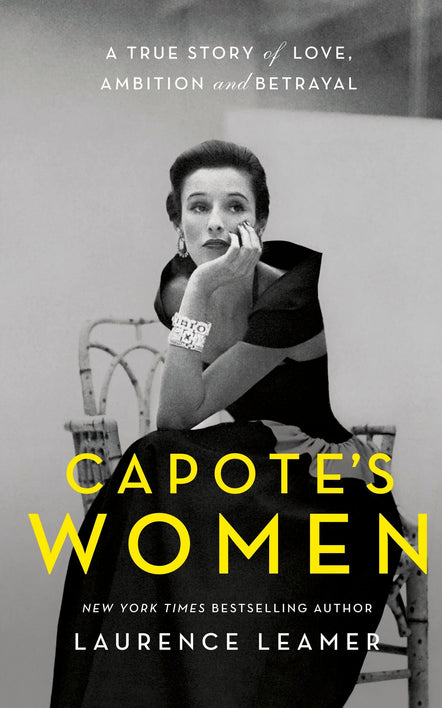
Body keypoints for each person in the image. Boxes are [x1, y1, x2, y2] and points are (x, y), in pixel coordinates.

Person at [51, 140, 401, 707]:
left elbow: (181, 414)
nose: (216, 221)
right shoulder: (181, 287)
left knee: (156, 462)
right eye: (199, 206)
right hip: (253, 468)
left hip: (328, 485)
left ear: (259, 223)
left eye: (235, 207)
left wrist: (199, 292)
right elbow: (174, 419)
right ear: (178, 222)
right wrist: (197, 292)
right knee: (155, 464)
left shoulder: (292, 294)